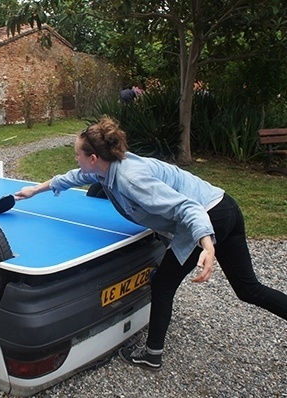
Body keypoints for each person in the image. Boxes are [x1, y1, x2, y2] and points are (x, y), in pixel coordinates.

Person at [14, 116, 287, 371]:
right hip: (225, 206)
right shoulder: (104, 169)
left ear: (94, 158)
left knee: (163, 282)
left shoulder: (131, 180)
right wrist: (35, 190)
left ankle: (152, 355)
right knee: (248, 289)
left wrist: (207, 246)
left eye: (78, 154)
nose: (75, 158)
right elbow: (73, 176)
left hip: (207, 216)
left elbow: (188, 209)